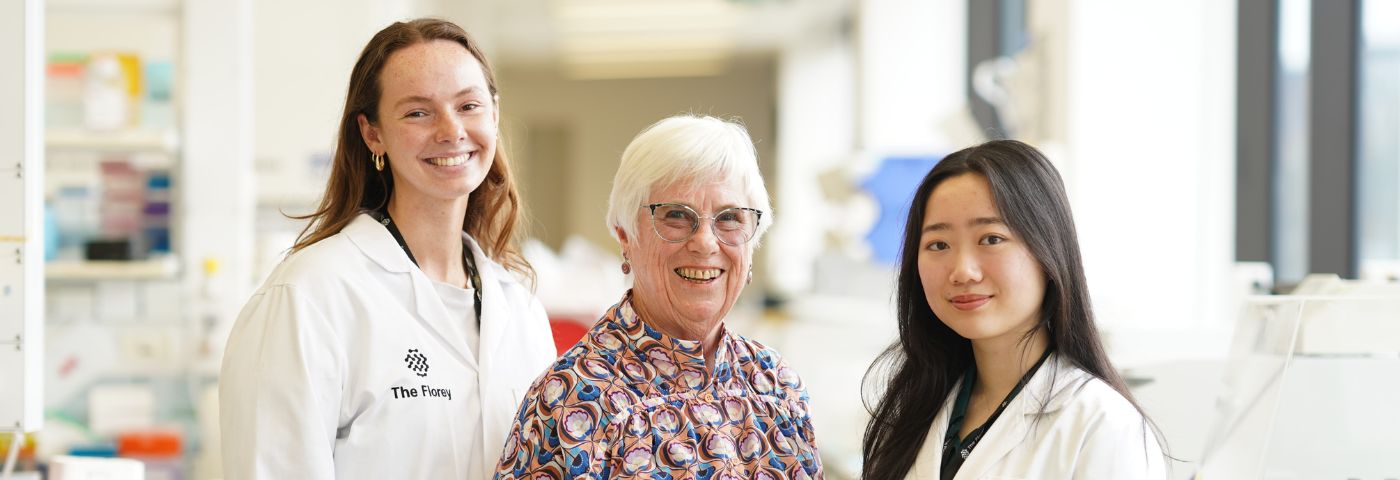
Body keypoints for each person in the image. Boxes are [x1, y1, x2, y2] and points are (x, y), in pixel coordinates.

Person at [219, 18, 555, 480]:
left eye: (469, 105)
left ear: (493, 115)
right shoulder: (311, 295)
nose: (451, 130)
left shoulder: (519, 307)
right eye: (418, 112)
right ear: (372, 133)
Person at [494, 115, 823, 479]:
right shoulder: (571, 397)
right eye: (677, 216)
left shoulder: (775, 382)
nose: (705, 242)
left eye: (730, 217)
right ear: (625, 236)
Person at [861, 140, 1167, 479]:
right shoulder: (915, 409)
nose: (962, 271)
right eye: (938, 244)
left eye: (991, 239)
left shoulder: (1102, 426)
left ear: (1048, 250)